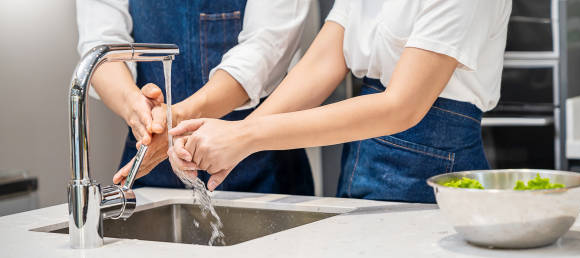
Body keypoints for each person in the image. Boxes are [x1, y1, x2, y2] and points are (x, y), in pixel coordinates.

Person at [168, 0, 513, 203]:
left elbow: (402, 106)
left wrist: (245, 138)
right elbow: (323, 63)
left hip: (436, 172)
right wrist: (240, 136)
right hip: (362, 160)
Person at [76, 0, 315, 195]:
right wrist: (136, 108)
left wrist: (177, 118)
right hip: (152, 165)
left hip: (261, 168)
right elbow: (101, 44)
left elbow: (266, 47)